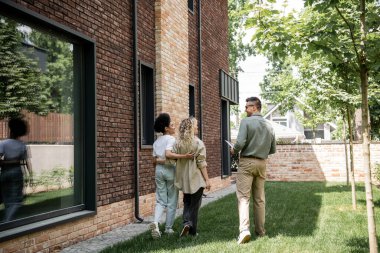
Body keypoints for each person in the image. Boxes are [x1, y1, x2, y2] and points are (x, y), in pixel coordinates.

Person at [230, 97, 276, 244]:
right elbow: (272, 149)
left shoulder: (246, 122)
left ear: (255, 107)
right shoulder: (269, 125)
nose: (245, 109)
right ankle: (261, 231)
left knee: (243, 197)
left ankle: (244, 230)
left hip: (247, 162)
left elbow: (240, 143)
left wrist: (234, 149)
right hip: (262, 163)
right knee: (259, 198)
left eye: (247, 107)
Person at [149, 113, 193, 239]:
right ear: (166, 128)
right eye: (172, 125)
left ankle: (156, 223)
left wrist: (159, 164)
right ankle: (168, 228)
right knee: (172, 201)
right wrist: (185, 156)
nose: (174, 127)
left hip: (158, 171)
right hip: (170, 171)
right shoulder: (171, 139)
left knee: (160, 200)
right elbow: (168, 155)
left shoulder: (156, 142)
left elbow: (154, 161)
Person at [174, 117, 211, 237]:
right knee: (195, 205)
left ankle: (186, 223)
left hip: (184, 180)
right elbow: (201, 163)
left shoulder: (178, 143)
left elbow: (171, 158)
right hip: (196, 179)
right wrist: (207, 180)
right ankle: (192, 230)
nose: (197, 127)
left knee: (187, 202)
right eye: (196, 125)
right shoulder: (198, 143)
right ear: (190, 128)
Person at [0, 117, 32, 222]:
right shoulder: (22, 145)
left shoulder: (3, 143)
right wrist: (30, 175)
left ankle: (7, 221)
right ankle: (7, 222)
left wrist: (5, 162)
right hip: (17, 172)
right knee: (15, 200)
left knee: (6, 199)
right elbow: (27, 162)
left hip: (4, 172)